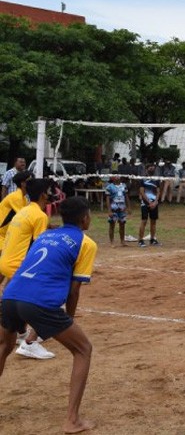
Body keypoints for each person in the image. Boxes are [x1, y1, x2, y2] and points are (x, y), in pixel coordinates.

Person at [0, 196, 97, 433]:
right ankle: (72, 420)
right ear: (84, 219)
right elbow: (74, 290)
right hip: (39, 301)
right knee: (83, 349)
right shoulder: (85, 243)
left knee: (3, 346)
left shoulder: (45, 235)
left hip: (10, 294)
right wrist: (69, 319)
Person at [0, 179, 55, 359]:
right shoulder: (39, 215)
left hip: (6, 261)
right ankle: (30, 343)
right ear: (42, 195)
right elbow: (41, 246)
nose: (50, 194)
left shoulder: (24, 210)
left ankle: (21, 332)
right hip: (18, 264)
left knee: (14, 299)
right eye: (48, 191)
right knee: (49, 299)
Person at [0, 171, 31, 250]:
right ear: (23, 183)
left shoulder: (24, 198)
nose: (32, 183)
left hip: (7, 236)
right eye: (30, 181)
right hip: (2, 237)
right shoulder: (16, 196)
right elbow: (25, 218)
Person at [137, 163, 160, 248]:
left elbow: (158, 192)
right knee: (144, 221)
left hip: (154, 203)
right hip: (145, 203)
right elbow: (142, 192)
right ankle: (140, 240)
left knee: (153, 222)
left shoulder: (156, 179)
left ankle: (152, 239)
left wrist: (155, 202)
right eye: (150, 168)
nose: (152, 169)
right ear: (146, 169)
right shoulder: (142, 179)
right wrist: (149, 202)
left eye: (153, 168)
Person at [104, 175, 130, 247]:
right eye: (115, 176)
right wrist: (109, 210)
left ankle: (122, 241)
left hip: (122, 208)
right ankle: (112, 242)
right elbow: (108, 199)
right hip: (113, 208)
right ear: (113, 178)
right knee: (112, 224)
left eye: (118, 176)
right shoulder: (109, 187)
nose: (117, 177)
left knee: (122, 224)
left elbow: (126, 196)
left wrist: (128, 207)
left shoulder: (124, 186)